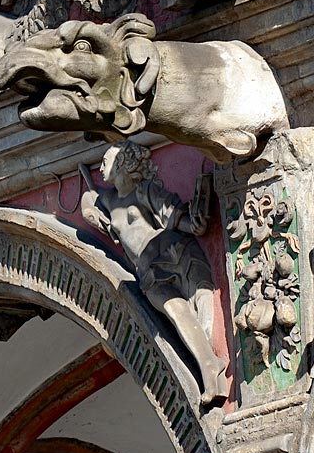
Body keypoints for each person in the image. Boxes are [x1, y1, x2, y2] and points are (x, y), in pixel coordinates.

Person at [80, 142, 228, 405]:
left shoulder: (144, 190)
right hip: (148, 269)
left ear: (123, 164)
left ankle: (208, 368)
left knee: (196, 307)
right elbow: (88, 204)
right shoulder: (108, 200)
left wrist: (193, 223)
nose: (101, 166)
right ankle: (208, 362)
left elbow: (172, 215)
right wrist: (94, 217)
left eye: (106, 160)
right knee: (175, 310)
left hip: (172, 250)